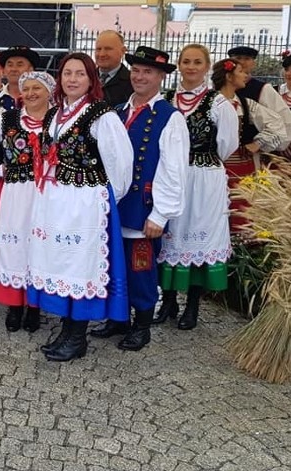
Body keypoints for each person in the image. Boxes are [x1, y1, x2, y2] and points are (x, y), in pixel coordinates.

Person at [26, 53, 133, 362]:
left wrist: (103, 200)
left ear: (91, 80)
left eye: (80, 74)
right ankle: (67, 329)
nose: (72, 79)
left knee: (81, 265)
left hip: (86, 204)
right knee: (62, 262)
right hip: (57, 202)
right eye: (67, 73)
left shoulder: (102, 115)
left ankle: (77, 335)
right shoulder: (55, 114)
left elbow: (120, 165)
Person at [90, 46, 188, 352]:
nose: (140, 77)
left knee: (140, 268)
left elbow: (174, 169)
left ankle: (142, 324)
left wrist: (161, 214)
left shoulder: (170, 118)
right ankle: (118, 319)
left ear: (161, 76)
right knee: (113, 264)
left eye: (147, 72)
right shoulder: (116, 112)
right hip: (113, 205)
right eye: (135, 70)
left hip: (143, 208)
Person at [155, 45, 239, 330]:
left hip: (204, 179)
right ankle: (167, 301)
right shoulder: (165, 99)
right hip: (170, 176)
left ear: (206, 67)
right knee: (169, 234)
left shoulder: (218, 104)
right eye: (186, 61)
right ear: (178, 65)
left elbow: (227, 145)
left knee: (196, 238)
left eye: (197, 62)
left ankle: (191, 305)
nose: (191, 67)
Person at [0, 71, 56, 334]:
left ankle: (35, 306)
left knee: (40, 247)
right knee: (13, 247)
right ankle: (14, 305)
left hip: (47, 196)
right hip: (15, 194)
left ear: (49, 92)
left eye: (36, 89)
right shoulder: (5, 119)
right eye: (26, 89)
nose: (30, 94)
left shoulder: (58, 121)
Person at [213, 58, 286, 233]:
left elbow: (277, 124)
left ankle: (242, 252)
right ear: (229, 76)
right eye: (241, 72)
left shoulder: (245, 104)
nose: (246, 76)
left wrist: (258, 143)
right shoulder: (209, 103)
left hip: (241, 167)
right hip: (212, 166)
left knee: (242, 212)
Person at [228, 45, 291, 152]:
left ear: (253, 64)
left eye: (247, 59)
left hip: (250, 155)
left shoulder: (263, 89)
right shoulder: (219, 88)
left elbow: (286, 122)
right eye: (238, 58)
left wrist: (262, 144)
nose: (242, 62)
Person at [0, 46, 41, 111]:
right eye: (10, 65)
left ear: (31, 69)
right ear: (3, 70)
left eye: (19, 65)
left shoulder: (41, 99)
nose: (14, 69)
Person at [94, 30, 133, 107]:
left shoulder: (132, 83)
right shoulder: (86, 78)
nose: (102, 54)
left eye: (108, 49)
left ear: (123, 51)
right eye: (98, 49)